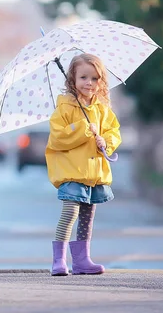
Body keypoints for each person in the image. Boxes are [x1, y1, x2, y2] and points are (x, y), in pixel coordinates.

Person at [46, 53, 122, 276]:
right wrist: (84, 129)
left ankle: (82, 260)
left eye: (95, 78)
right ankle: (59, 260)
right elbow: (58, 137)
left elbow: (113, 132)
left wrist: (105, 141)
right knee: (70, 212)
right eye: (83, 77)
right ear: (72, 79)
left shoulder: (102, 110)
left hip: (94, 172)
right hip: (72, 171)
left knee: (87, 217)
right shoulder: (65, 108)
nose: (89, 83)